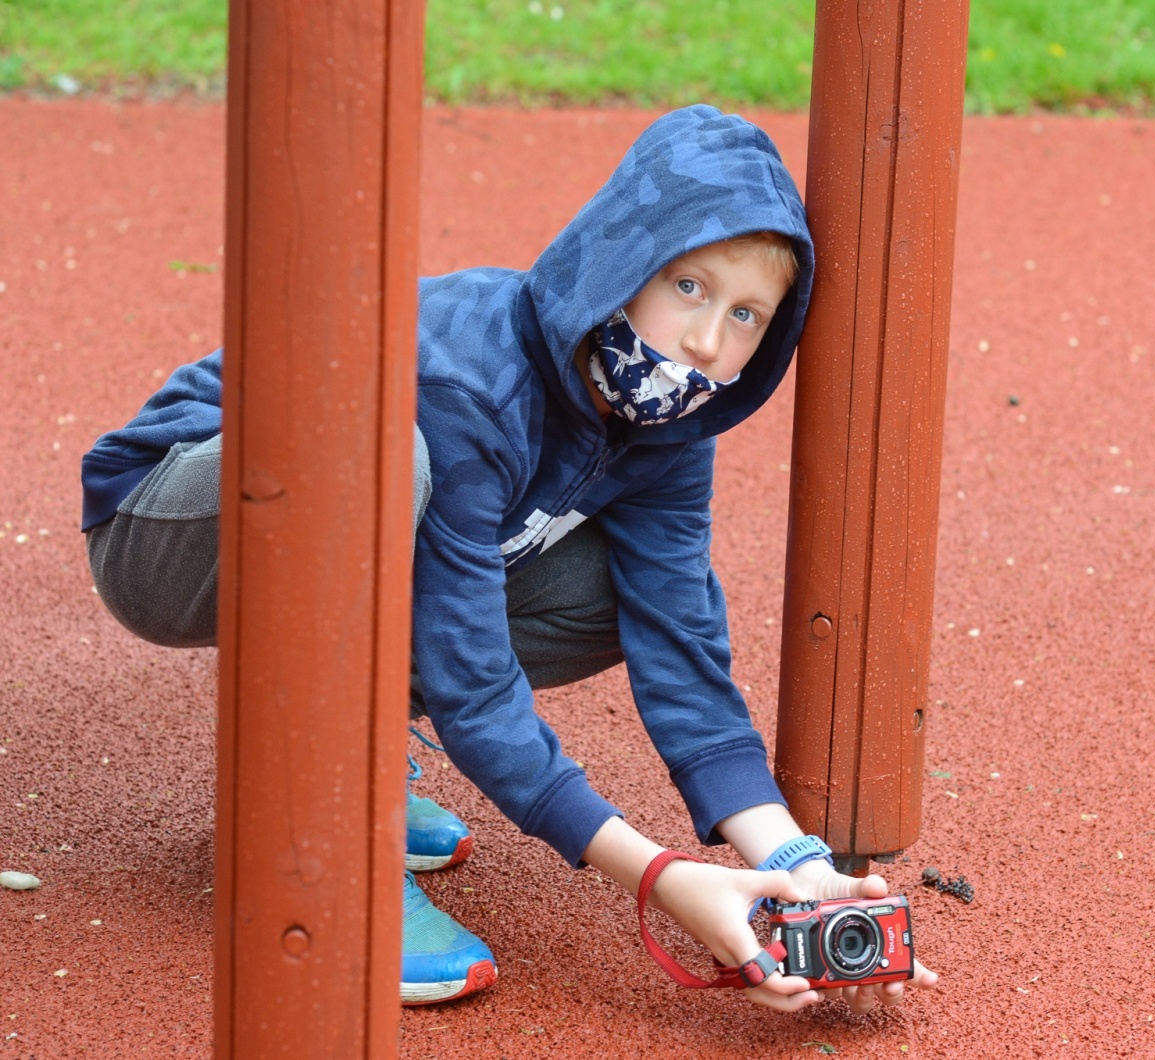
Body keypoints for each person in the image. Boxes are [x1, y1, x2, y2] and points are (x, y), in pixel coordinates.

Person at [80, 105, 937, 1013]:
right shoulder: (470, 382)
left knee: (618, 590)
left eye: (746, 314)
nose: (706, 341)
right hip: (170, 526)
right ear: (624, 255)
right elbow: (477, 684)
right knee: (389, 455)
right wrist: (658, 876)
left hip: (345, 534)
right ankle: (324, 827)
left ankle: (357, 736)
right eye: (689, 285)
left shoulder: (672, 426)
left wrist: (796, 868)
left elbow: (680, 639)